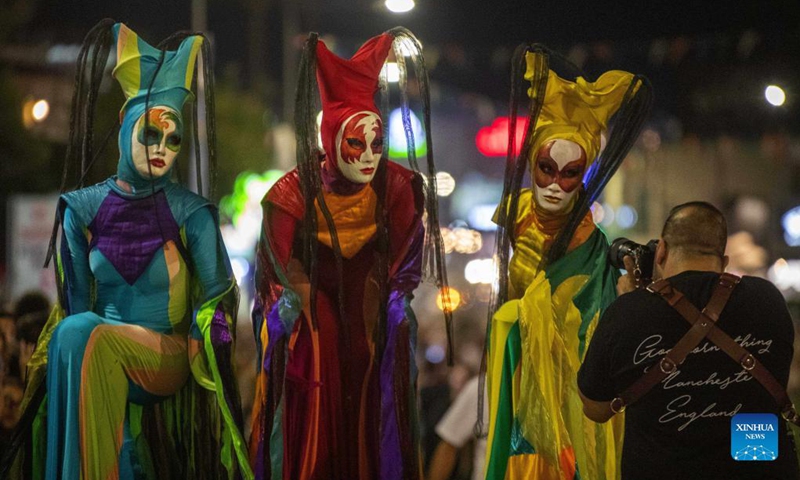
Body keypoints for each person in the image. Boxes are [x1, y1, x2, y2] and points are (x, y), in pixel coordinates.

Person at [1, 20, 252, 480]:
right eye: (150, 134)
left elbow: (219, 295)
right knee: (74, 333)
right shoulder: (80, 208)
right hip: (97, 348)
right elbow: (78, 304)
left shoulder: (190, 212)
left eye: (173, 138)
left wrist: (204, 341)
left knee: (83, 335)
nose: (162, 149)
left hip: (168, 357)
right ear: (124, 124)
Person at [248, 29, 450, 480]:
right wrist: (288, 309)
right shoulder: (290, 194)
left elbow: (404, 268)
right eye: (355, 144)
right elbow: (275, 275)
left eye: (377, 144)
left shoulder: (398, 187)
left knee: (374, 357)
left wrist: (396, 309)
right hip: (310, 299)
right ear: (332, 137)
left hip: (370, 300)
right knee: (315, 356)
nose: (368, 157)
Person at [483, 44, 652, 480]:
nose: (556, 185)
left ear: (584, 175)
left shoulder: (588, 246)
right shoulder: (515, 213)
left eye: (570, 173)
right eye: (546, 169)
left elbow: (589, 328)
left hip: (565, 396)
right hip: (517, 369)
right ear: (532, 165)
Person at [577, 202, 800, 479]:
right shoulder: (767, 301)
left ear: (661, 252)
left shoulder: (628, 311)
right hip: (757, 466)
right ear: (724, 262)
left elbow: (595, 408)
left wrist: (633, 304)